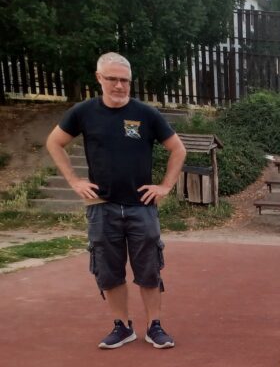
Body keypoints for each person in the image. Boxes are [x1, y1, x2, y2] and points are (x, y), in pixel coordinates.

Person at [46, 52, 186, 349]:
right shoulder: (83, 112)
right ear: (99, 78)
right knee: (108, 270)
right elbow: (54, 142)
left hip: (141, 206)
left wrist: (165, 186)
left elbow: (178, 149)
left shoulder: (146, 114)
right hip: (102, 206)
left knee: (149, 268)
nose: (119, 85)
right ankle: (122, 327)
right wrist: (74, 181)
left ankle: (155, 326)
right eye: (112, 79)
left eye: (125, 80)